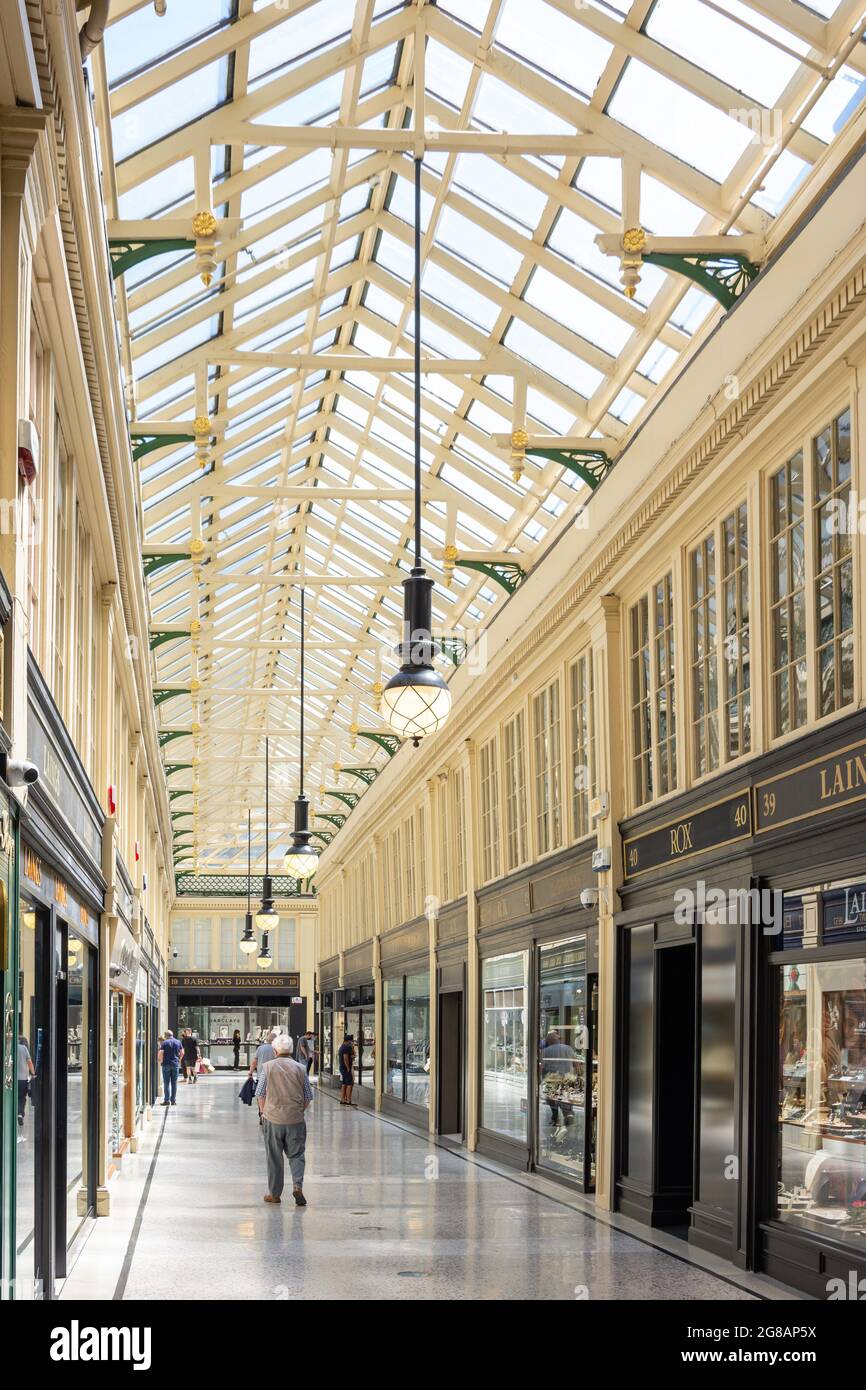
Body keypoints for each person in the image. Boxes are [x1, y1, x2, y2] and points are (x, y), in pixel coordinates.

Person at [256, 1034, 312, 1206]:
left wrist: (263, 1113)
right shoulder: (300, 1068)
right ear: (291, 1049)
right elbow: (308, 1097)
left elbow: (260, 1093)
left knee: (274, 1157)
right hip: (295, 1119)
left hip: (273, 1119)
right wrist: (296, 1111)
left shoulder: (268, 1067)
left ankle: (274, 1194)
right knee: (297, 1155)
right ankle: (297, 1186)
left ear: (275, 1050)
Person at [158, 1029, 183, 1106]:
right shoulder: (178, 1042)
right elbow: (182, 1052)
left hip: (166, 1064)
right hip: (175, 1064)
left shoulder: (165, 1043)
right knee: (174, 1083)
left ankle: (166, 1100)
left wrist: (160, 1061)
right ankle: (173, 1100)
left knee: (166, 1083)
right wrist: (179, 1060)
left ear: (166, 1036)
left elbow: (161, 1053)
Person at [18, 1035, 34, 1127]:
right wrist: (33, 1073)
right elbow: (29, 1062)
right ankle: (20, 1113)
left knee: (14, 1097)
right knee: (22, 1098)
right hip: (23, 1078)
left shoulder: (10, 1047)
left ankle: (15, 1113)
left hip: (11, 1078)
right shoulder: (24, 1048)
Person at [338, 1033, 356, 1106]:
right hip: (346, 1068)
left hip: (342, 1068)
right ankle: (348, 1100)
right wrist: (348, 1067)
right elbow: (345, 1058)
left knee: (344, 1083)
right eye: (351, 1041)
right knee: (349, 1083)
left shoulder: (342, 1046)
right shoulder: (346, 1047)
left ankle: (342, 1099)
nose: (351, 1042)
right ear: (348, 1041)